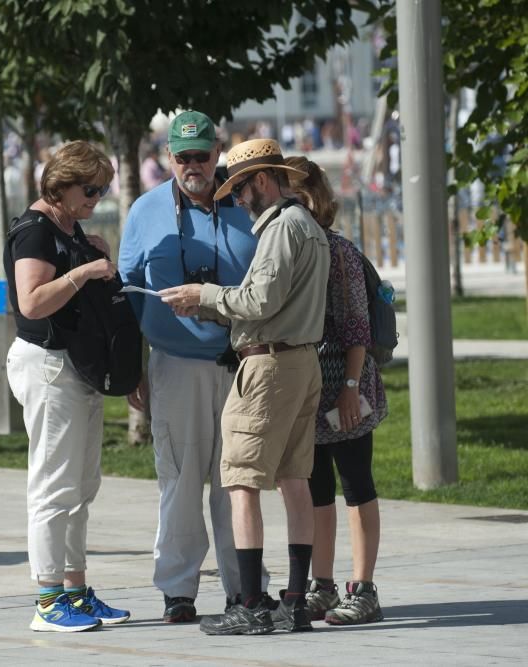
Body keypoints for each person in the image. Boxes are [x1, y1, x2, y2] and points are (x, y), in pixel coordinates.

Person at [160, 138, 329, 635]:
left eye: (237, 187)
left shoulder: (280, 228)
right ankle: (296, 600)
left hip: (268, 367)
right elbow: (269, 300)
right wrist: (208, 303)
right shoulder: (306, 225)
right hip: (300, 362)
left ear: (260, 181)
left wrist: (205, 293)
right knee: (294, 480)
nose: (232, 197)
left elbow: (260, 301)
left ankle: (251, 602)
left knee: (239, 482)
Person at [119, 111, 267, 623]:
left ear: (217, 151)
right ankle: (177, 591)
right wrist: (131, 370)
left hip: (242, 365)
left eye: (201, 156)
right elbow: (127, 296)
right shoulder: (145, 210)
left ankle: (243, 589)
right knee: (179, 481)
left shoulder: (247, 204)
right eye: (181, 158)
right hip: (174, 365)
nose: (192, 166)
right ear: (168, 158)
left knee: (237, 484)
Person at [4, 140, 129, 633]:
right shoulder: (34, 230)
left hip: (77, 367)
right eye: (90, 188)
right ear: (61, 185)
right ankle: (48, 598)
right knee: (53, 485)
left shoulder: (68, 226)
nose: (98, 197)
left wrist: (95, 254)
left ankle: (75, 590)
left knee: (82, 486)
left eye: (103, 189)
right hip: (47, 365)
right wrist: (82, 271)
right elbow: (31, 302)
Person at [285, 156, 388, 625]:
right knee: (317, 488)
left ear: (312, 198)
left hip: (346, 388)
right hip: (307, 389)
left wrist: (349, 387)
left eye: (294, 198)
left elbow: (357, 327)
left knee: (356, 485)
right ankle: (321, 585)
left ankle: (363, 589)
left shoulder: (337, 251)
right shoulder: (289, 249)